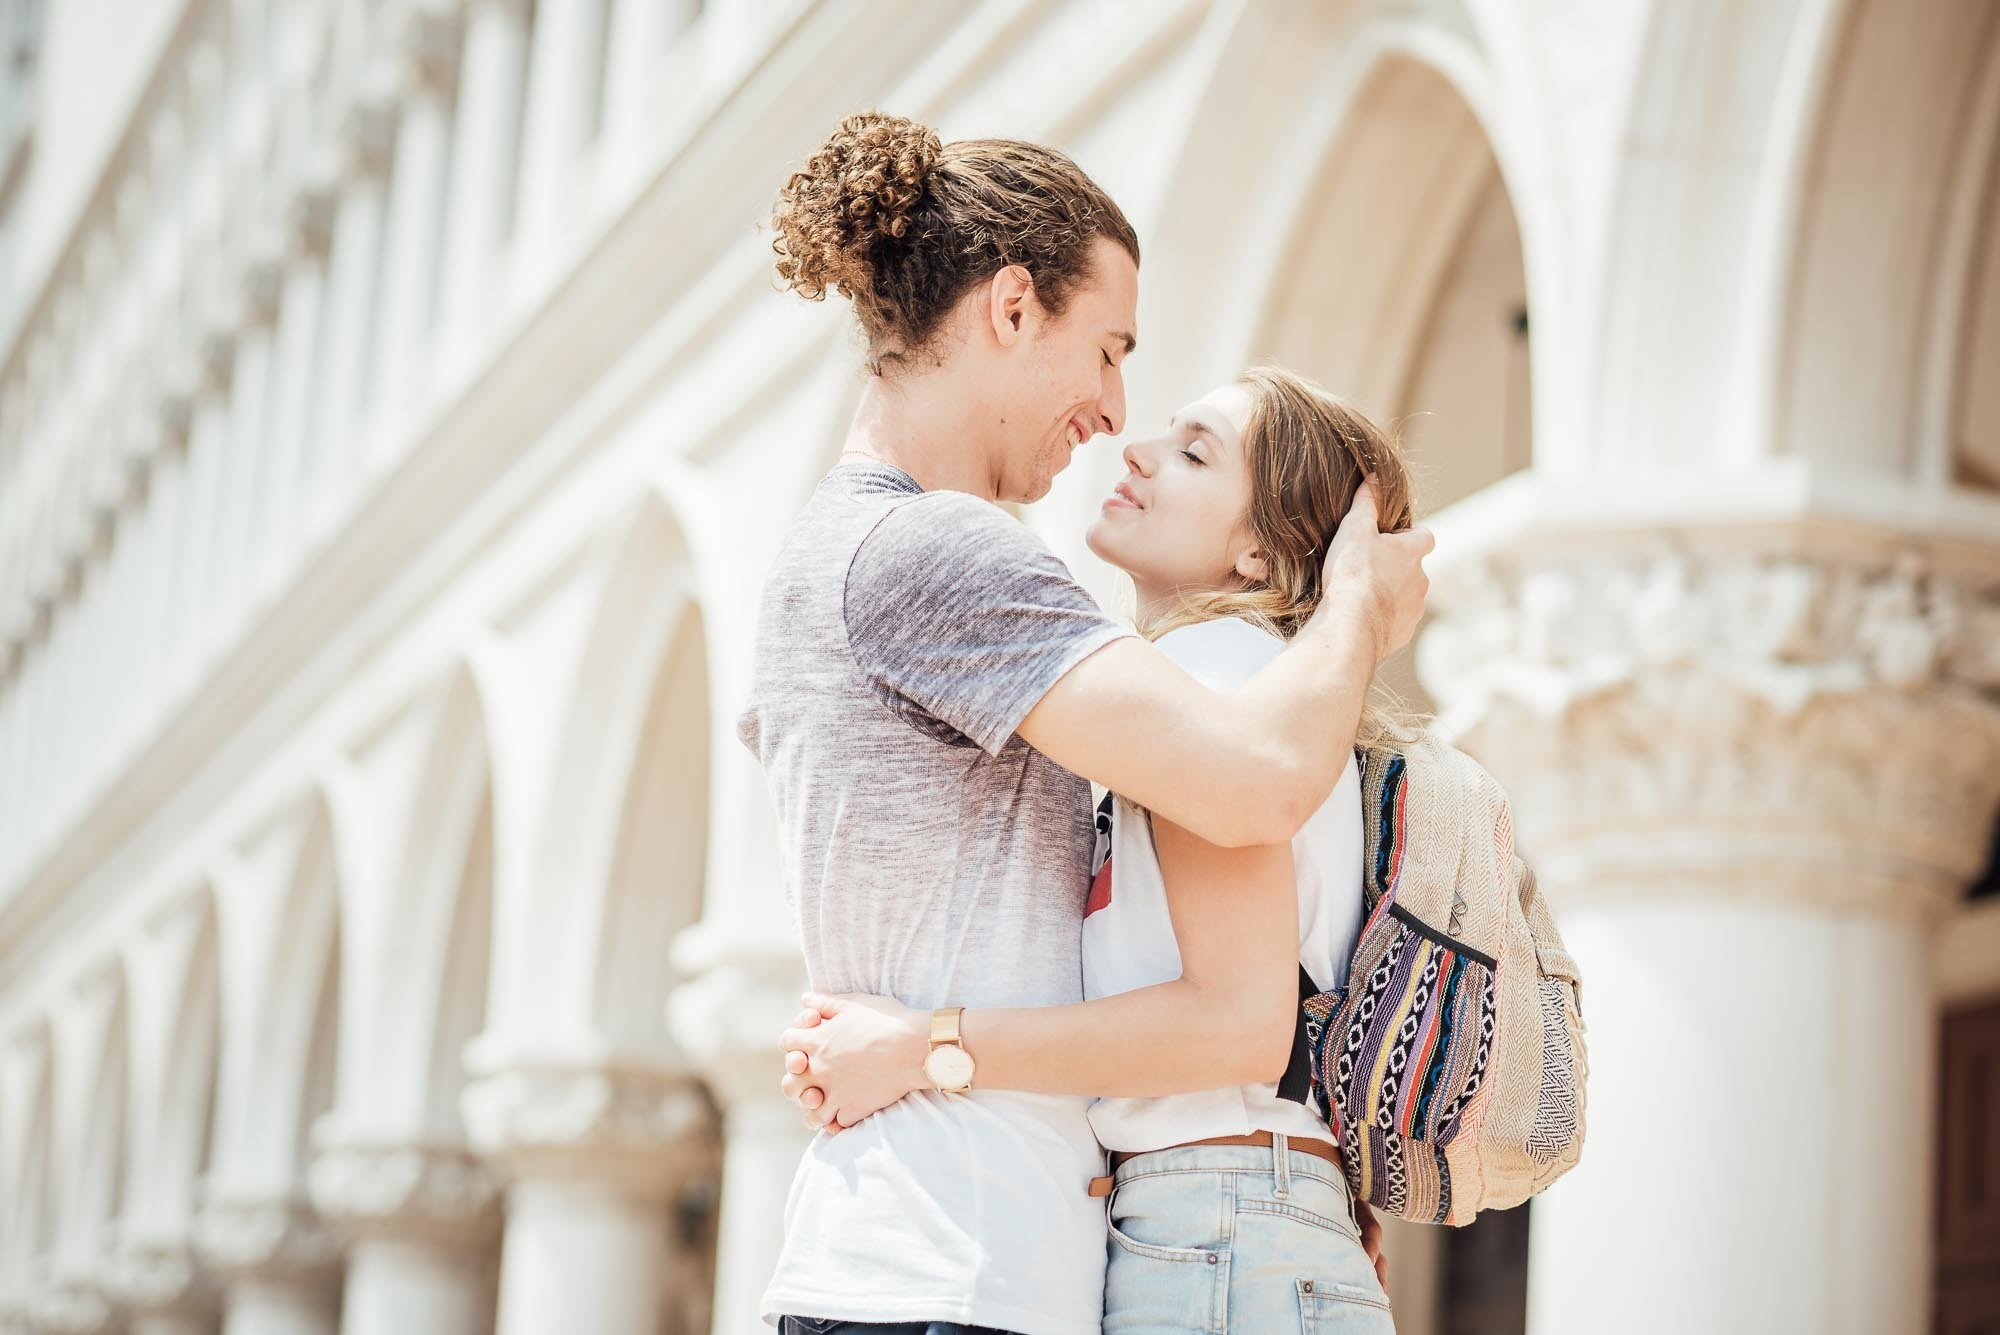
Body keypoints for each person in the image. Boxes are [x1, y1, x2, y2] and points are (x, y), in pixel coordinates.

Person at [739, 109, 1430, 1335]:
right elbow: (1256, 781)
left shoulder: (838, 549)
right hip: (953, 1264)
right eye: (1105, 349)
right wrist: (1357, 605)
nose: (1113, 410)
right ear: (1012, 308)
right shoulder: (930, 549)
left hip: (935, 1251)